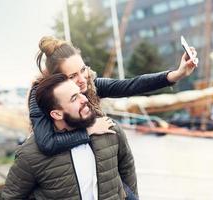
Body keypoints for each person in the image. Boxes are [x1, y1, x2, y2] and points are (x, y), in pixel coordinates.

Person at [29, 36, 198, 156]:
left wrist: (176, 74)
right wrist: (91, 130)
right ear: (56, 80)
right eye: (72, 76)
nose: (82, 80)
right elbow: (47, 143)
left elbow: (131, 85)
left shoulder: (90, 85)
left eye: (82, 70)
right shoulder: (40, 97)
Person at [2, 73, 138, 200]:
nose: (84, 99)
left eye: (80, 93)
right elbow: (11, 197)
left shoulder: (109, 128)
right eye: (74, 98)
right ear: (57, 114)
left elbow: (127, 169)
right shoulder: (30, 154)